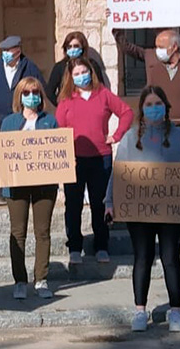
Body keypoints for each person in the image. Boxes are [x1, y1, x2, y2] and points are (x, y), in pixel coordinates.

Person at [106, 86, 180, 333]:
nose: (154, 108)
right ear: (142, 109)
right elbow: (118, 172)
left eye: (157, 103)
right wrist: (109, 202)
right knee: (142, 258)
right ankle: (140, 311)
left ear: (166, 106)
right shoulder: (131, 138)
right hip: (139, 210)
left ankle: (175, 311)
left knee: (171, 258)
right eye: (149, 104)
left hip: (172, 209)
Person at [55, 58, 133, 264]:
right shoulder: (66, 100)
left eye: (84, 71)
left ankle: (101, 245)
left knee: (100, 204)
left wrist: (116, 135)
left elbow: (127, 112)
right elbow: (58, 130)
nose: (81, 75)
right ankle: (74, 247)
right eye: (77, 73)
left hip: (101, 157)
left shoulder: (104, 95)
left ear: (91, 72)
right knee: (73, 204)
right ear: (71, 77)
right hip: (74, 160)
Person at [0, 76, 58, 300]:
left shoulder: (49, 122)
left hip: (45, 185)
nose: (31, 96)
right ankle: (20, 280)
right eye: (26, 93)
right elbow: (3, 151)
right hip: (16, 185)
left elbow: (58, 150)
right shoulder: (9, 122)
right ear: (19, 97)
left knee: (43, 232)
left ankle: (41, 279)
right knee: (18, 232)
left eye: (35, 92)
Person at [113, 14, 180, 147]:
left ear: (174, 46)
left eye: (161, 47)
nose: (158, 50)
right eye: (157, 46)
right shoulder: (155, 66)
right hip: (160, 126)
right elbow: (149, 96)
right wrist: (117, 25)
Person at [0, 35, 44, 132]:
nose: (5, 53)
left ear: (18, 52)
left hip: (22, 118)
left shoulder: (30, 67)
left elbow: (41, 89)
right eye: (4, 51)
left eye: (8, 51)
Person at [44, 31, 107, 106]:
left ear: (82, 47)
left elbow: (100, 87)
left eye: (76, 46)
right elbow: (49, 91)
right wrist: (61, 105)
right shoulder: (59, 67)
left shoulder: (92, 65)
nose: (72, 49)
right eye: (69, 46)